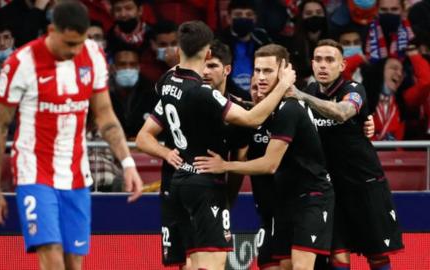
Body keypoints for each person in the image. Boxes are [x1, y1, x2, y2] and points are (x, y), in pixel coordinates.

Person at [0, 2, 143, 270]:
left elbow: (104, 115)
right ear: (51, 30)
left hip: (76, 174)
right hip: (34, 172)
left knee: (73, 263)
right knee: (53, 255)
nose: (75, 51)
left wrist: (128, 164)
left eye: (79, 43)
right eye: (69, 43)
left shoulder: (92, 54)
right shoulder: (20, 64)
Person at [142, 20, 295, 269]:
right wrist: (284, 85)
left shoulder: (166, 83)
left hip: (179, 181)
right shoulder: (202, 92)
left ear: (178, 49)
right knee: (212, 262)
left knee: (191, 263)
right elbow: (252, 118)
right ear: (208, 52)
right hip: (203, 181)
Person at [193, 44, 335, 270]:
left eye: (267, 71)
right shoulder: (257, 115)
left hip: (311, 198)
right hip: (280, 205)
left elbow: (270, 165)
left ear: (284, 71)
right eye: (257, 71)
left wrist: (225, 165)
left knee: (301, 266)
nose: (260, 77)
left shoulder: (290, 109)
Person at [136, 39, 253, 269]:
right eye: (205, 65)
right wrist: (165, 152)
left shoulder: (235, 110)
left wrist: (230, 196)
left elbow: (239, 157)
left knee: (208, 260)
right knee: (185, 262)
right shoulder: (179, 94)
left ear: (227, 70)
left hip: (211, 190)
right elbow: (143, 137)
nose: (206, 71)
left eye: (214, 66)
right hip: (174, 185)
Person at [289, 39, 404, 270]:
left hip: (365, 185)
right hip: (331, 189)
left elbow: (343, 112)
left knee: (378, 256)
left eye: (330, 60)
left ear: (342, 65)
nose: (323, 65)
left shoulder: (353, 89)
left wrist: (301, 97)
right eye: (318, 60)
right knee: (338, 256)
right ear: (312, 64)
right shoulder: (310, 91)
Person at [110, 46, 157, 138]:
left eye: (132, 64)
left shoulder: (151, 92)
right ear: (113, 67)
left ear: (138, 67)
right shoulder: (104, 92)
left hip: (142, 148)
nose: (128, 68)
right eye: (122, 64)